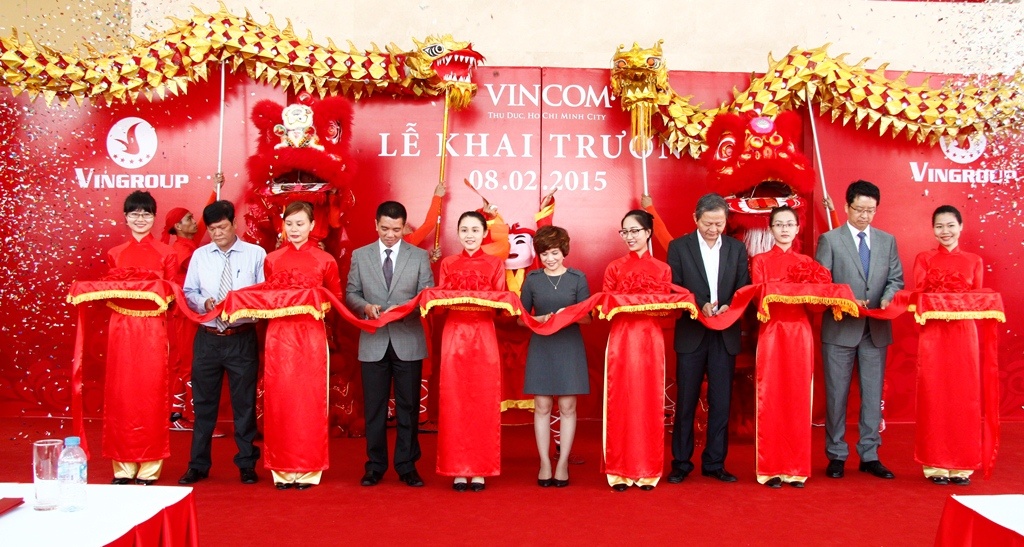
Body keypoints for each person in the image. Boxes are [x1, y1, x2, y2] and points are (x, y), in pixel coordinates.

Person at [815, 180, 904, 480]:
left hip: (875, 328)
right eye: (859, 209)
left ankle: (870, 454)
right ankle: (836, 454)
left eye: (871, 210)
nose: (865, 216)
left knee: (872, 395)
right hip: (840, 328)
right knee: (836, 395)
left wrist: (889, 298)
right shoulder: (830, 240)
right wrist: (846, 300)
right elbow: (821, 284)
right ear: (846, 207)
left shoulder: (887, 241)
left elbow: (896, 279)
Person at [345, 201, 434, 488]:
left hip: (408, 339)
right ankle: (375, 466)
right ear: (376, 225)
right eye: (385, 228)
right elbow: (351, 293)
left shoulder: (419, 257)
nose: (390, 235)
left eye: (396, 229)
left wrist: (404, 309)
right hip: (373, 341)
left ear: (404, 227)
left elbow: (427, 295)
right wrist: (365, 307)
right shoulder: (360, 256)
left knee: (409, 407)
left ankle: (407, 466)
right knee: (375, 408)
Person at [179, 200, 267, 485]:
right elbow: (189, 291)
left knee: (244, 405)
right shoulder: (200, 256)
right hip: (207, 338)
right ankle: (198, 465)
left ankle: (246, 464)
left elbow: (264, 294)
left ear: (234, 224)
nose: (217, 233)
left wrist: (243, 306)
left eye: (222, 227)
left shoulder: (256, 254)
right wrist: (205, 302)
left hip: (241, 337)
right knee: (204, 404)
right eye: (212, 229)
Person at [666, 193, 750, 484]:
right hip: (692, 332)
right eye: (708, 223)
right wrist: (699, 303)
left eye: (719, 223)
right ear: (695, 219)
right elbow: (674, 285)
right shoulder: (679, 247)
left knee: (721, 401)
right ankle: (681, 463)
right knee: (686, 401)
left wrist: (729, 306)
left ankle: (715, 463)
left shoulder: (737, 248)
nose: (714, 229)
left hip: (724, 333)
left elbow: (744, 286)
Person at [262, 201, 343, 490]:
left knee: (310, 400)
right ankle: (282, 469)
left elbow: (336, 298)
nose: (294, 229)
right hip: (278, 336)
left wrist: (315, 303)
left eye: (300, 224)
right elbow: (265, 296)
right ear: (282, 225)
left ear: (312, 226)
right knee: (280, 399)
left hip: (310, 335)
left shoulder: (325, 260)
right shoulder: (272, 259)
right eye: (289, 224)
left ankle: (308, 468)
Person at [749, 206, 832, 488]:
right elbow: (759, 298)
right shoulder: (760, 261)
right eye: (779, 224)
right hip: (771, 332)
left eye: (789, 224)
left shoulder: (807, 263)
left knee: (798, 398)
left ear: (797, 229)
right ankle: (770, 468)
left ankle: (796, 468)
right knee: (770, 397)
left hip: (800, 333)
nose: (784, 229)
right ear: (770, 229)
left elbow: (815, 305)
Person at [104, 190, 178, 485]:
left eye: (146, 214)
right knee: (121, 394)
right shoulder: (115, 253)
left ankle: (149, 467)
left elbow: (172, 295)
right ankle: (122, 467)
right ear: (125, 217)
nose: (140, 219)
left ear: (154, 217)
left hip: (152, 329)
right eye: (134, 214)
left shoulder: (166, 253)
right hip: (120, 328)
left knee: (150, 394)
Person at [912, 205, 985, 486]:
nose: (945, 231)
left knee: (964, 397)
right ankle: (935, 464)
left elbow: (977, 299)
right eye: (939, 226)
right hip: (934, 335)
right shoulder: (924, 259)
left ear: (961, 226)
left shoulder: (974, 261)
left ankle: (962, 464)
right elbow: (920, 295)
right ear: (933, 229)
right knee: (935, 395)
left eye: (950, 225)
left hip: (964, 334)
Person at [601, 210, 673, 491]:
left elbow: (665, 308)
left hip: (650, 340)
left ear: (647, 233)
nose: (629, 237)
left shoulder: (662, 269)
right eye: (625, 232)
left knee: (649, 400)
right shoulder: (614, 268)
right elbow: (605, 305)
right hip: (621, 338)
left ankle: (647, 470)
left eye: (634, 231)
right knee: (620, 399)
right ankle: (618, 470)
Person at [435, 211, 507, 491]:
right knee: (454, 398)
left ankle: (480, 468)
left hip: (484, 334)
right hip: (454, 335)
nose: (469, 235)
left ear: (484, 233)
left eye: (475, 230)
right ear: (457, 233)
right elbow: (440, 302)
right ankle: (456, 466)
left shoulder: (495, 264)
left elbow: (501, 304)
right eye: (464, 230)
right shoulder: (448, 263)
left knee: (483, 399)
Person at [518, 225, 591, 487]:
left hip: (569, 346)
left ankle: (562, 463)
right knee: (542, 406)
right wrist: (538, 319)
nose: (550, 258)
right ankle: (544, 463)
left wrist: (567, 315)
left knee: (568, 407)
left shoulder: (577, 278)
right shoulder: (532, 279)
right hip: (542, 345)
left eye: (555, 252)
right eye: (545, 253)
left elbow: (588, 318)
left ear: (564, 251)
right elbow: (520, 318)